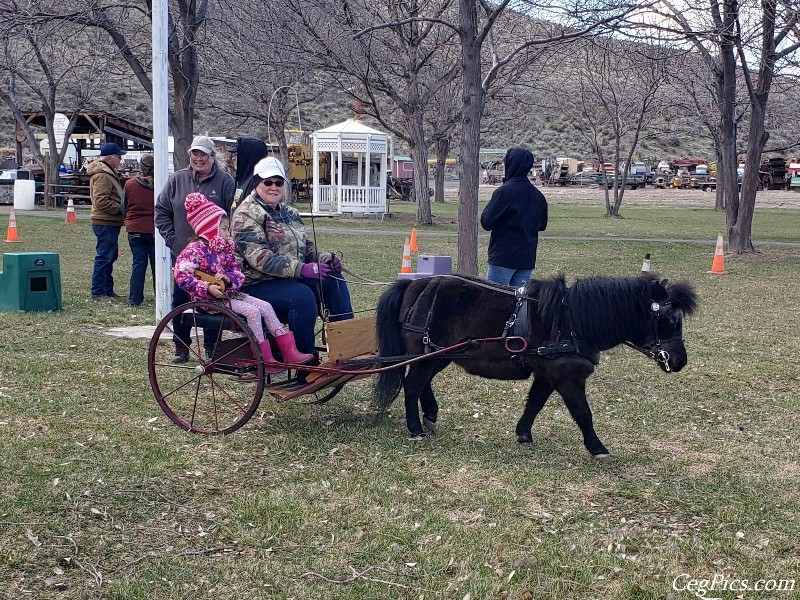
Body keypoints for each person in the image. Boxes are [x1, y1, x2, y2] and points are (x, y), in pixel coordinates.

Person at [232, 156, 353, 362]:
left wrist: (325, 259)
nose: (273, 187)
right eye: (267, 182)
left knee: (333, 278)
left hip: (285, 280)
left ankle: (348, 347)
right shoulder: (246, 214)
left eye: (278, 182)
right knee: (302, 295)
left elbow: (306, 249)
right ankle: (307, 362)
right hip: (254, 285)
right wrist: (302, 269)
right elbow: (261, 258)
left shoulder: (290, 213)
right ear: (256, 183)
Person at [174, 193, 314, 371]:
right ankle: (263, 357)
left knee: (266, 307)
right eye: (224, 228)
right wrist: (207, 287)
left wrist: (229, 280)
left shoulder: (224, 250)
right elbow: (182, 276)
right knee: (252, 311)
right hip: (209, 300)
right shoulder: (194, 251)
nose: (228, 233)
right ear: (210, 228)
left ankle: (289, 351)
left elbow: (238, 273)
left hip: (230, 294)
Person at [155, 135, 236, 363]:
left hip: (213, 257)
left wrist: (225, 244)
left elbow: (233, 217)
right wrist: (173, 240)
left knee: (213, 301)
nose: (199, 159)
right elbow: (161, 212)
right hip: (183, 254)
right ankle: (181, 346)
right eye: (195, 154)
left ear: (212, 157)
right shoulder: (176, 180)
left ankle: (212, 346)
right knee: (180, 300)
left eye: (204, 155)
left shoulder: (225, 182)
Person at [480, 147, 548, 287]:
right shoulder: (538, 196)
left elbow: (486, 222)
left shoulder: (504, 192)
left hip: (503, 257)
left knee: (495, 301)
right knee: (520, 303)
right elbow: (542, 225)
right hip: (526, 258)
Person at [88, 142, 126, 301]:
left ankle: (107, 290)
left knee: (109, 256)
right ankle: (98, 292)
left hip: (109, 221)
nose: (120, 160)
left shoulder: (107, 172)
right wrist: (119, 209)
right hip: (105, 221)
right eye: (119, 157)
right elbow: (100, 201)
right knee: (104, 257)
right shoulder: (103, 175)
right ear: (110, 158)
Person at [124, 153, 156, 306]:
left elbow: (123, 206)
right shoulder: (161, 185)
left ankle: (135, 299)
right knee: (157, 265)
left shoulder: (130, 184)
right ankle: (160, 296)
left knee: (138, 264)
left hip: (135, 228)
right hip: (154, 229)